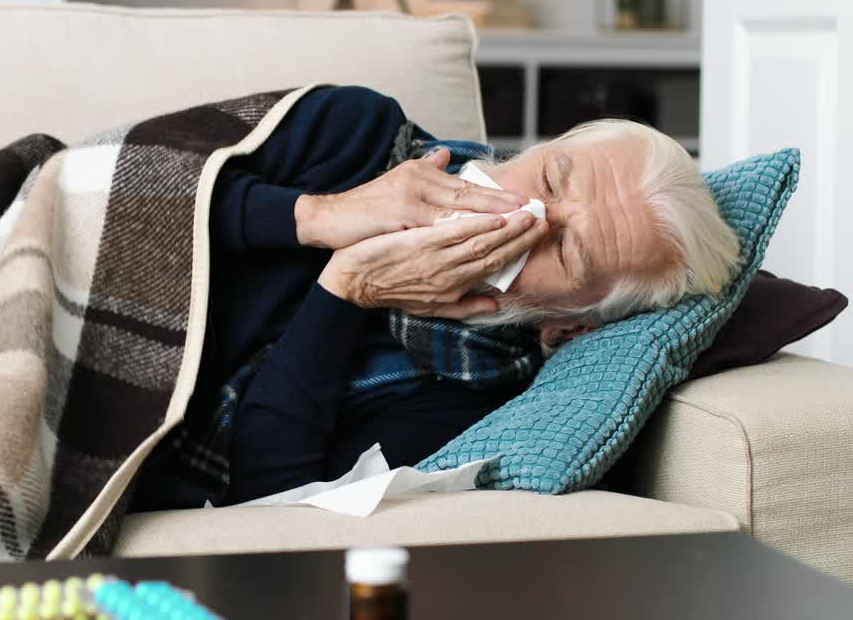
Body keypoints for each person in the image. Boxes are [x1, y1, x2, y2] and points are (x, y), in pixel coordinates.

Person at [129, 86, 740, 512]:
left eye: (567, 251)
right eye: (551, 178)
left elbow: (272, 506)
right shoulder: (359, 131)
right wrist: (318, 217)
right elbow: (128, 194)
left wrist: (347, 289)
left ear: (566, 328)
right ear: (538, 148)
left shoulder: (461, 401)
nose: (522, 216)